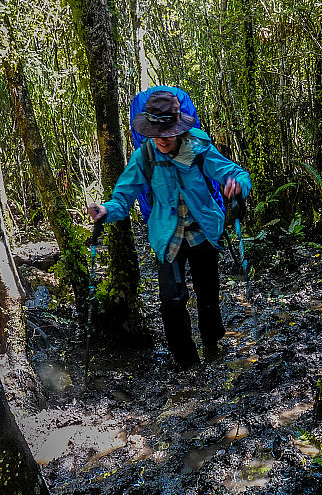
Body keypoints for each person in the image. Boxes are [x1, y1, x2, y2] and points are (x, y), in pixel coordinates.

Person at [88, 90, 252, 369]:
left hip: (202, 231)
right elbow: (123, 199)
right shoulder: (144, 157)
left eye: (168, 132)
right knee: (171, 301)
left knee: (208, 294)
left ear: (179, 127)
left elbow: (237, 174)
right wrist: (105, 210)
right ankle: (187, 364)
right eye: (156, 132)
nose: (162, 139)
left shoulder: (199, 147)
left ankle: (212, 344)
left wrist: (237, 186)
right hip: (167, 236)